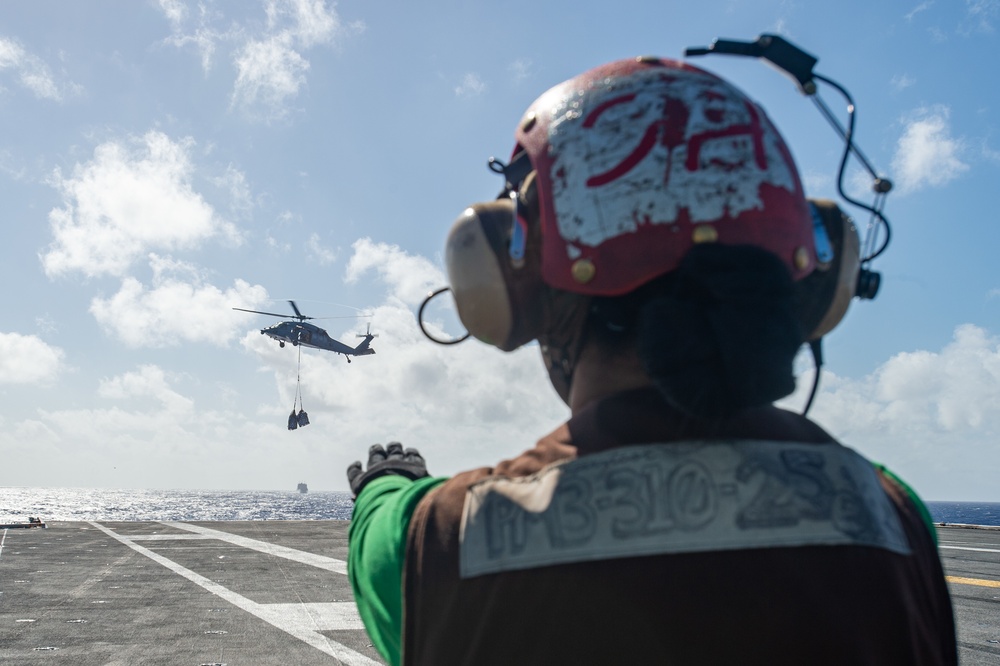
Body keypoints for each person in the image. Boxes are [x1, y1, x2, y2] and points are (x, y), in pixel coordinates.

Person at [346, 55, 956, 665]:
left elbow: (380, 537)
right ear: (806, 282)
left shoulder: (442, 539)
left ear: (516, 281)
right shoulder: (895, 519)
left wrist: (385, 481)